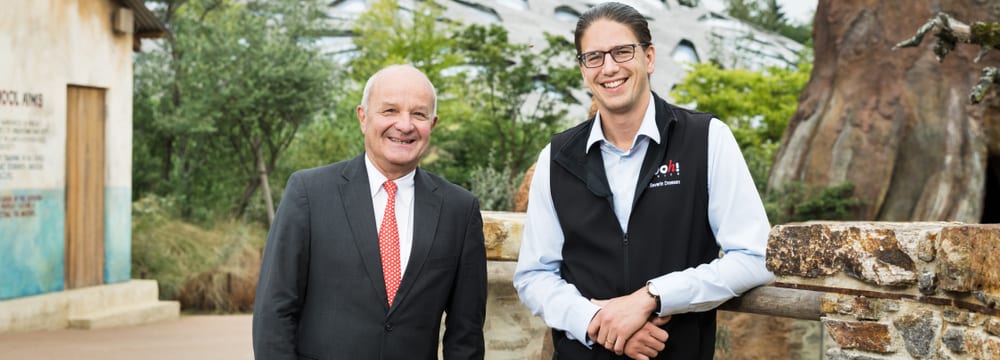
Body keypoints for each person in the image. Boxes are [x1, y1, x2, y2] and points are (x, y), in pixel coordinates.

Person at [512, 2, 774, 359]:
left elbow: (755, 256)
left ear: (649, 57)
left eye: (622, 51)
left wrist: (651, 297)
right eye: (594, 57)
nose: (609, 67)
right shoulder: (556, 158)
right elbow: (534, 276)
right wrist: (600, 323)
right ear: (583, 70)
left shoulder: (706, 139)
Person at [253, 64, 487, 359]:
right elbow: (274, 311)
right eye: (389, 111)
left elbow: (465, 334)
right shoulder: (309, 193)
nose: (404, 125)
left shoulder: (460, 210)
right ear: (363, 117)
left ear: (433, 123)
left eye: (418, 114)